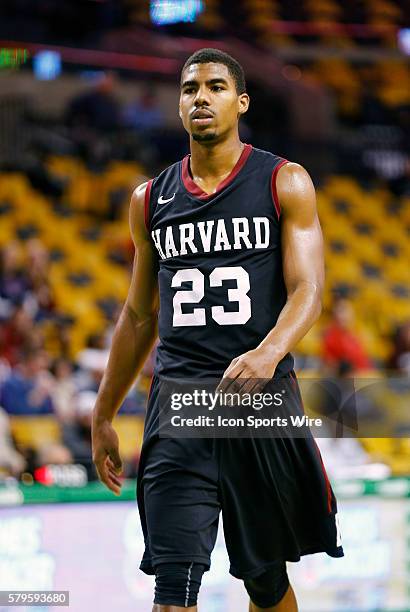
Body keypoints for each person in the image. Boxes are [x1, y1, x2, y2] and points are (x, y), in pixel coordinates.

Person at [92, 48, 344, 612]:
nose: (200, 97)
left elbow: (308, 290)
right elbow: (138, 316)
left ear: (241, 101)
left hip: (258, 405)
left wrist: (268, 351)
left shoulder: (286, 181)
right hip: (180, 408)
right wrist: (104, 412)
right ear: (179, 105)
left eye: (215, 86)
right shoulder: (149, 198)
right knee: (172, 589)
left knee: (266, 581)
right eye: (188, 89)